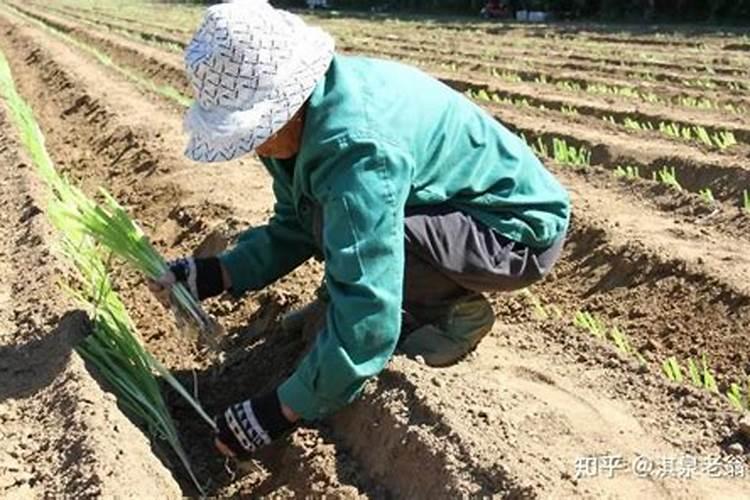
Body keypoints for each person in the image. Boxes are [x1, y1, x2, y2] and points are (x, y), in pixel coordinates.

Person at [150, 1, 570, 460]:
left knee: (355, 229)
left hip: (511, 234)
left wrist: (281, 409)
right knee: (332, 217)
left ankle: (454, 314)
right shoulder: (303, 121)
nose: (253, 145)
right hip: (448, 209)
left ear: (289, 103)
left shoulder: (356, 149)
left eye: (255, 130)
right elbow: (295, 222)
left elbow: (369, 310)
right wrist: (215, 273)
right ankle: (368, 298)